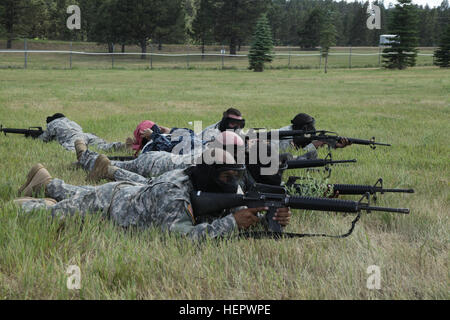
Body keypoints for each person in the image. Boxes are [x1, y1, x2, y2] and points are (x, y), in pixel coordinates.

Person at [15, 149, 291, 241]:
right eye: (226, 177)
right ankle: (33, 200)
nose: (233, 184)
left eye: (236, 177)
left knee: (75, 193)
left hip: (132, 195)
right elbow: (181, 237)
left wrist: (268, 216)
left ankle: (49, 184)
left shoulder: (208, 183)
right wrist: (232, 223)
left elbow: (231, 205)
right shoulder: (175, 193)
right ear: (209, 176)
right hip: (110, 205)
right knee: (47, 215)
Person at [74, 131, 246, 184]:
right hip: (157, 167)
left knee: (123, 163)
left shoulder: (206, 149)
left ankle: (85, 156)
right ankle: (106, 169)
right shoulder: (214, 164)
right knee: (142, 182)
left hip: (157, 157)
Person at [38, 113, 130, 152]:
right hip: (86, 135)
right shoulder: (70, 122)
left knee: (74, 152)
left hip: (74, 138)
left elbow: (44, 139)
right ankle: (120, 145)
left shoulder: (52, 124)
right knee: (102, 146)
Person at [278, 113, 351, 155]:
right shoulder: (284, 136)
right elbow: (295, 157)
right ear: (302, 128)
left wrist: (335, 145)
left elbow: (308, 142)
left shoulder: (298, 133)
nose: (312, 130)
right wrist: (315, 144)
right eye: (309, 128)